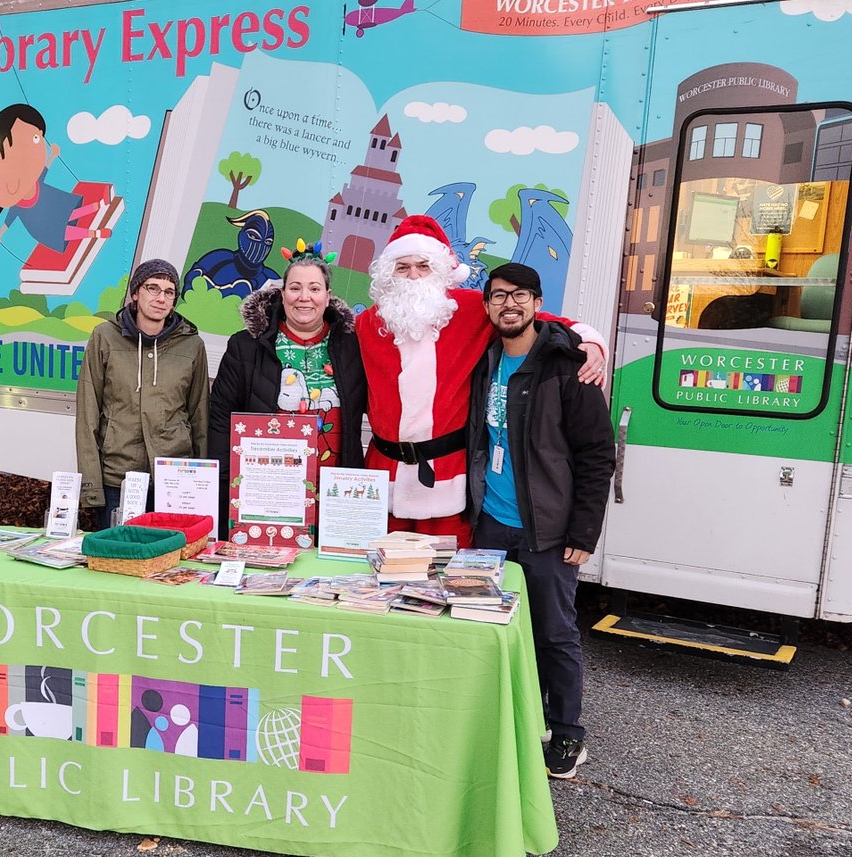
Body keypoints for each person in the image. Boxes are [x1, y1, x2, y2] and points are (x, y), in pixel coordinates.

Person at [356, 215, 608, 546]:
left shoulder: (471, 309)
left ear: (442, 271)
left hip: (448, 477)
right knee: (378, 578)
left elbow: (536, 320)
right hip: (384, 474)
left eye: (423, 266)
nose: (413, 276)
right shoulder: (367, 323)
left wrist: (587, 340)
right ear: (389, 273)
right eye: (403, 267)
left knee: (444, 581)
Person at [466, 262, 616, 780]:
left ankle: (568, 734)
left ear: (536, 302)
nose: (509, 305)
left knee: (555, 633)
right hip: (491, 526)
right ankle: (517, 723)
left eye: (520, 296)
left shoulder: (566, 365)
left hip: (547, 531)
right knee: (496, 630)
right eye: (499, 296)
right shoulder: (484, 361)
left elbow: (598, 453)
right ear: (486, 306)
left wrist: (583, 532)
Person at [208, 240, 366, 535]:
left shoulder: (352, 347)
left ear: (328, 296)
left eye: (314, 289)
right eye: (295, 288)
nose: (304, 297)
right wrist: (229, 488)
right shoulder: (246, 347)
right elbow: (220, 421)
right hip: (266, 495)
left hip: (335, 498)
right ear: (282, 293)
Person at [76, 259, 210, 527]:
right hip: (118, 478)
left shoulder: (192, 345)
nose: (161, 298)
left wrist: (201, 485)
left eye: (169, 291)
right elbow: (87, 413)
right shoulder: (104, 337)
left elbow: (200, 417)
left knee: (170, 561)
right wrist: (92, 486)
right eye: (153, 288)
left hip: (174, 480)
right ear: (136, 293)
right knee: (118, 560)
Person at [0, 103, 109, 250]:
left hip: (53, 207)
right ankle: (94, 233)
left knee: (71, 213)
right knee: (64, 232)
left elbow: (44, 170)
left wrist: (52, 156)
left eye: (34, 139)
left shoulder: (35, 184)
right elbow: (9, 221)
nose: (13, 185)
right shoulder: (17, 205)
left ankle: (98, 205)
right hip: (41, 228)